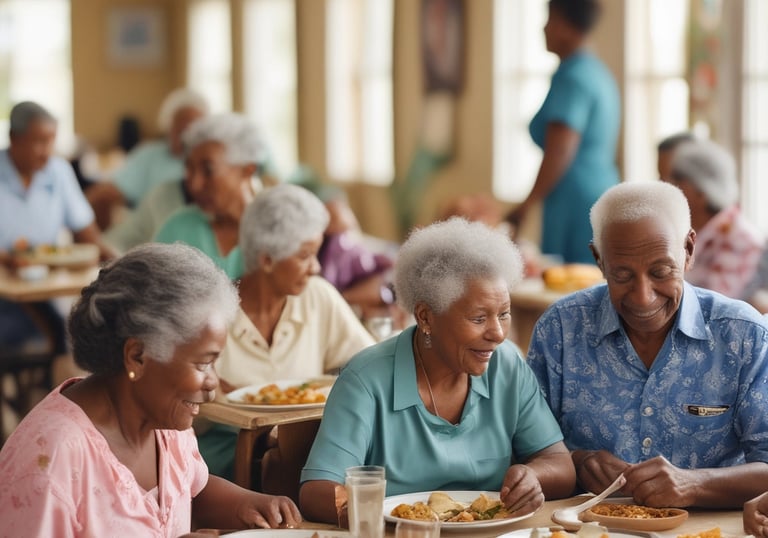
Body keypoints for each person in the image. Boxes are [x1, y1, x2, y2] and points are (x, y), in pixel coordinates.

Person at [0, 243, 301, 536]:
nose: (213, 383)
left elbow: (190, 491)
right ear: (137, 356)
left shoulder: (168, 425)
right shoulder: (49, 462)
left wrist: (246, 504)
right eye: (202, 364)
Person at [299, 217, 576, 525]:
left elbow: (560, 465)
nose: (497, 333)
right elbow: (316, 490)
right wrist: (385, 514)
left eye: (504, 314)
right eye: (478, 318)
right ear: (426, 317)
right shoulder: (365, 379)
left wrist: (533, 475)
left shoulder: (506, 365)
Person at [527, 181, 768, 509]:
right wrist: (576, 462)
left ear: (688, 250)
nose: (643, 297)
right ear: (599, 260)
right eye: (622, 275)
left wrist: (694, 484)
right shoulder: (561, 331)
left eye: (661, 271)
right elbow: (524, 449)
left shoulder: (744, 336)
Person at [197, 183, 375, 487]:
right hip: (225, 464)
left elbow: (369, 366)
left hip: (302, 451)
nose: (315, 267)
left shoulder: (317, 296)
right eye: (305, 256)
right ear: (267, 260)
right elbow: (191, 410)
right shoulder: (212, 313)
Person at [504, 0, 620, 265]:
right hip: (599, 193)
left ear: (566, 26)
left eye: (550, 19)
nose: (543, 28)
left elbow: (560, 150)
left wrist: (525, 206)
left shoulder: (573, 78)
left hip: (575, 203)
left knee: (573, 289)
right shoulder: (598, 74)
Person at [0, 101, 115, 354]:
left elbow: (86, 232)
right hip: (6, 294)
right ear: (13, 138)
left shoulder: (58, 171)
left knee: (72, 331)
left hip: (41, 287)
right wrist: (8, 259)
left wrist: (117, 262)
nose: (46, 151)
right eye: (39, 141)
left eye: (51, 141)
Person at [154, 112, 268, 279]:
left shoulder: (272, 230)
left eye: (208, 170)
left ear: (247, 170)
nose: (195, 184)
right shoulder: (177, 229)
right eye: (190, 169)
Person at [86, 87, 209, 229]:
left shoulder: (210, 164)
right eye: (180, 127)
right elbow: (105, 193)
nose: (186, 135)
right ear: (169, 126)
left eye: (193, 128)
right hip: (148, 233)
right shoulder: (149, 155)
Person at [665, 138, 763, 299]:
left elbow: (713, 303)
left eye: (677, 181)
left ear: (702, 191)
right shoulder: (691, 229)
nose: (671, 188)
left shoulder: (738, 237)